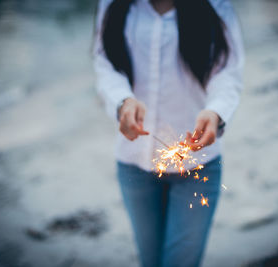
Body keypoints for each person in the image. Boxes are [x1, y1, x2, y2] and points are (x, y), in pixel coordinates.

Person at [93, 0, 244, 266]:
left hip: (197, 166)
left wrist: (216, 112)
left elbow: (227, 71)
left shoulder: (216, 4)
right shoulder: (112, 4)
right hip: (133, 164)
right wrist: (122, 101)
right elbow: (104, 62)